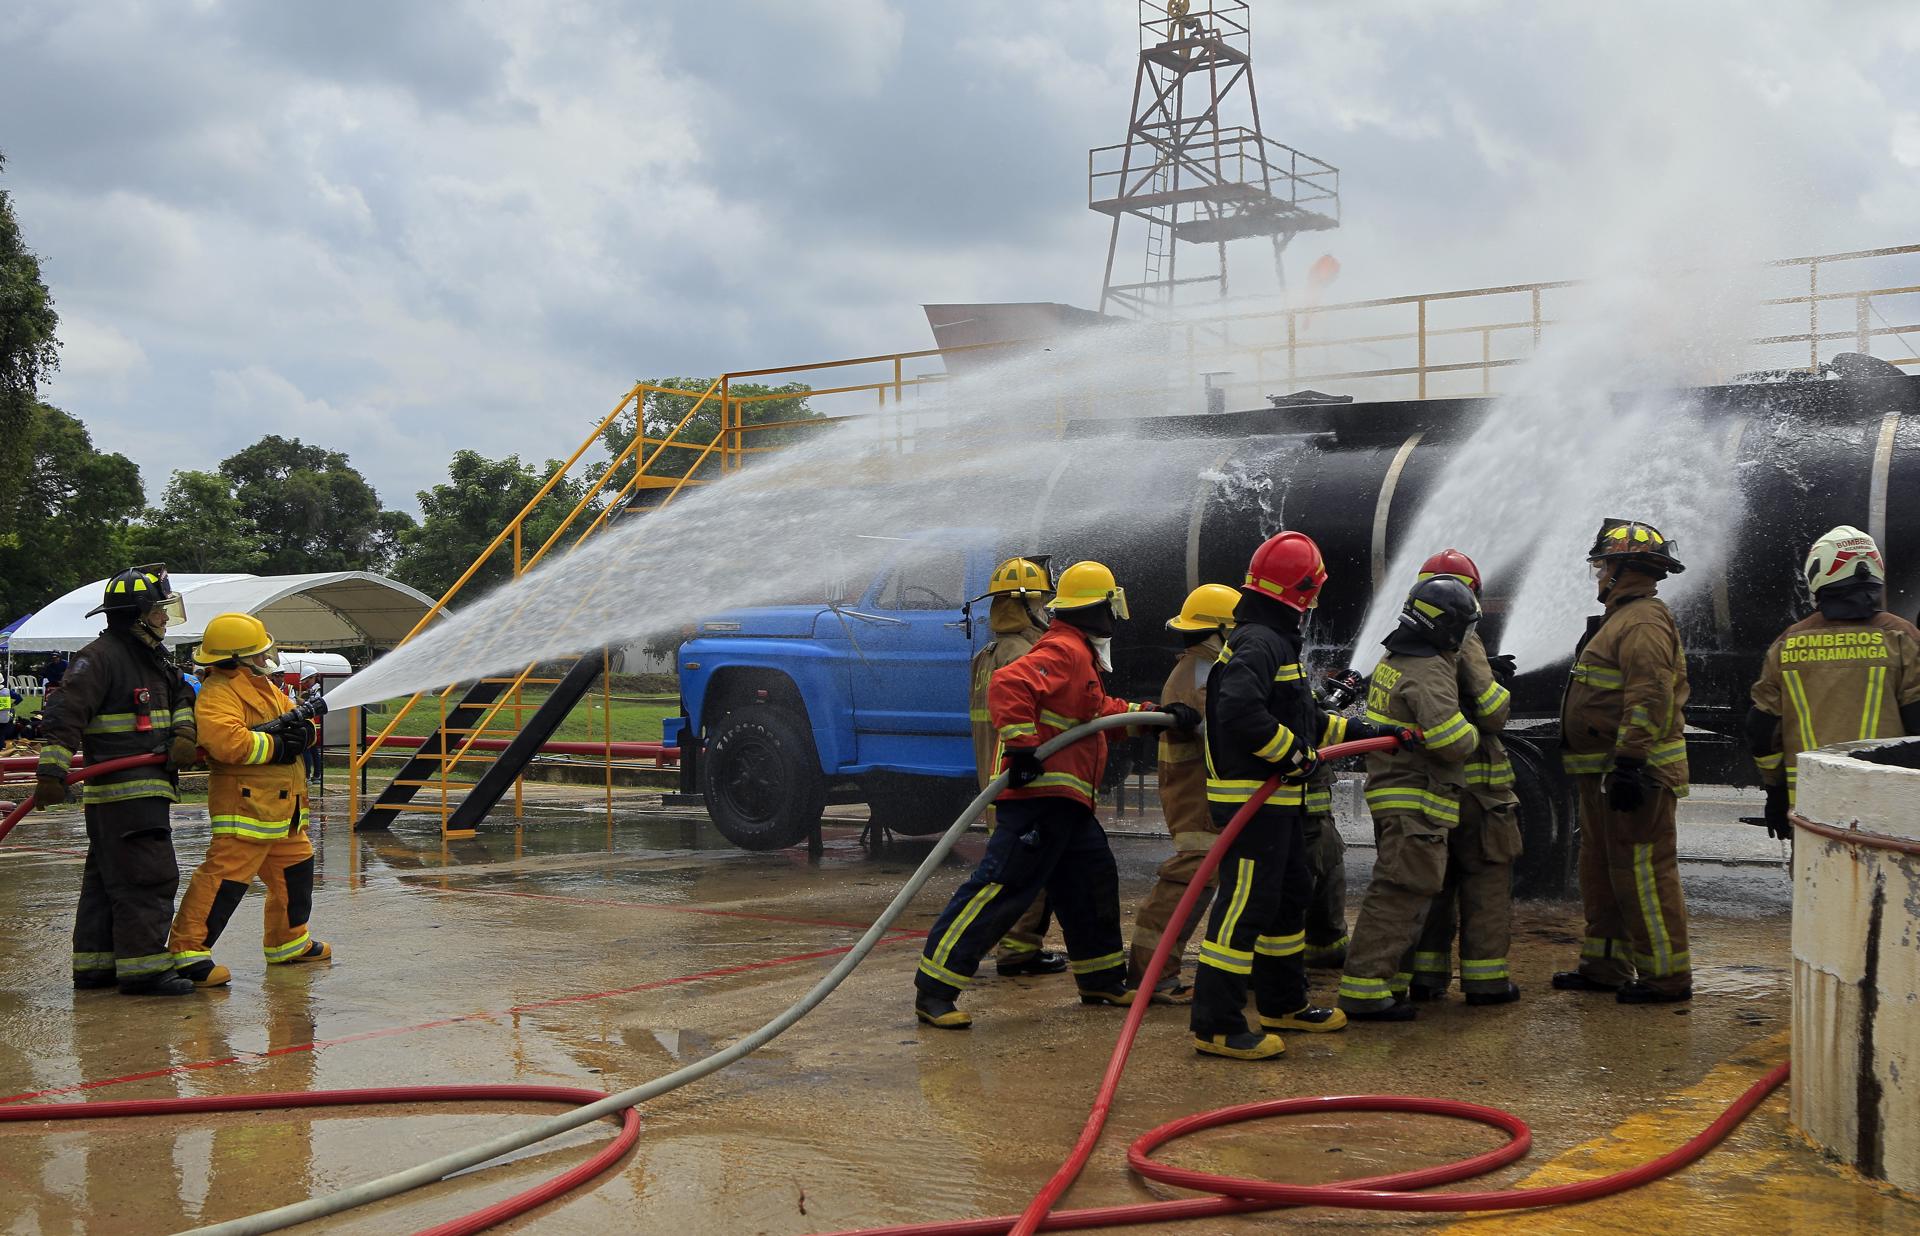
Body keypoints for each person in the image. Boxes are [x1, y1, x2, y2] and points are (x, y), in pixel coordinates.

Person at [1191, 531, 1408, 1060]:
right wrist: (1294, 755)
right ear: (1305, 591)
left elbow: (1304, 720)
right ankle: (1217, 1025)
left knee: (1287, 899)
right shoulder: (1261, 642)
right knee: (1243, 908)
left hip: (1277, 804)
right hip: (1252, 803)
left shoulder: (1272, 639)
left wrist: (1369, 734)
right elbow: (1240, 714)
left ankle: (1283, 1003)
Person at [913, 560, 1150, 1029]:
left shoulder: (1077, 653)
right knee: (1000, 889)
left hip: (1069, 805)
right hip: (1041, 800)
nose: (1115, 619)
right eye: (1111, 608)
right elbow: (1010, 684)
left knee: (1091, 883)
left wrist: (1151, 715)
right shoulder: (1064, 648)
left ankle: (1101, 979)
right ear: (1095, 608)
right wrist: (1022, 748)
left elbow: (1093, 711)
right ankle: (934, 990)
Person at [1338, 575, 1518, 1019]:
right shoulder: (1430, 668)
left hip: (1401, 799)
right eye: (1465, 628)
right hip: (1415, 802)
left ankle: (1392, 984)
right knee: (1400, 892)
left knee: (1409, 892)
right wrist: (1475, 723)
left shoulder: (1397, 658)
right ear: (1446, 626)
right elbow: (1454, 741)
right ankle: (1365, 992)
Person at [34, 567, 199, 996]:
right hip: (126, 792)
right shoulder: (102, 657)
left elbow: (183, 692)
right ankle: (144, 970)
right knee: (149, 876)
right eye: (160, 611)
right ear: (139, 614)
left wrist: (184, 732)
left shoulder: (152, 658)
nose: (165, 619)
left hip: (144, 788)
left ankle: (95, 966)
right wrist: (52, 771)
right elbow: (64, 714)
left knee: (108, 881)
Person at [1552, 519, 1693, 1004]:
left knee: (1644, 873)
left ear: (1622, 569)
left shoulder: (1644, 621)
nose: (1598, 573)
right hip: (1604, 774)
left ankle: (1666, 977)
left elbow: (1650, 694)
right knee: (1602, 871)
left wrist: (1632, 761)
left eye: (1603, 564)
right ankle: (1604, 966)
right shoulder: (1622, 619)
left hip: (1636, 774)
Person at [167, 613, 329, 987]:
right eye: (257, 652)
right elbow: (227, 743)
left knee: (297, 873)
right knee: (224, 881)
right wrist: (278, 745)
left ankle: (288, 943)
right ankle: (188, 953)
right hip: (247, 810)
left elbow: (296, 723)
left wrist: (304, 734)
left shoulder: (262, 686)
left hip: (284, 810)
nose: (265, 658)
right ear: (237, 657)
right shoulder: (219, 692)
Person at [1402, 549, 1523, 1003]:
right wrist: (1493, 681)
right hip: (1481, 790)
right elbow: (1492, 714)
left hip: (1434, 787)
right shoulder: (1466, 639)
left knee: (1436, 884)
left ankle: (1427, 977)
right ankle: (1486, 981)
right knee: (1486, 881)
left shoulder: (1413, 639)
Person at [1747, 526, 1920, 834]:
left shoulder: (1788, 643)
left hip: (1813, 807)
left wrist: (1775, 792)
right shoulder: (1901, 636)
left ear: (1818, 574)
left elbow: (1761, 729)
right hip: (1891, 808)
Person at [1125, 583, 1237, 1001]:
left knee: (1202, 875)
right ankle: (1151, 975)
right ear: (1219, 631)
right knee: (1190, 875)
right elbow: (1224, 729)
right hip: (1197, 791)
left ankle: (1153, 973)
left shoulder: (1204, 666)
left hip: (1199, 787)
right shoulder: (1201, 672)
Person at [966, 557, 1065, 978]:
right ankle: (1016, 952)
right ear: (1026, 606)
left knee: (1012, 869)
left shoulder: (987, 654)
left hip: (993, 778)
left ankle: (1017, 948)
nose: (1046, 611)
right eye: (1042, 604)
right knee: (1026, 873)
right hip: (1017, 780)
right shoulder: (1022, 653)